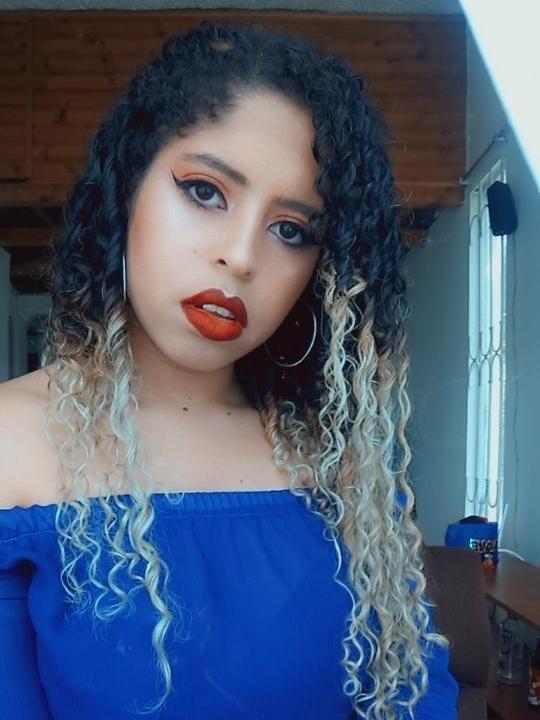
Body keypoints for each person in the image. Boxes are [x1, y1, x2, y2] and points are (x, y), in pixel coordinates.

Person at [0, 20, 459, 720]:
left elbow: (415, 690)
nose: (241, 257)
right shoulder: (11, 441)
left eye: (291, 230)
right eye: (205, 191)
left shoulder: (336, 458)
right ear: (127, 188)